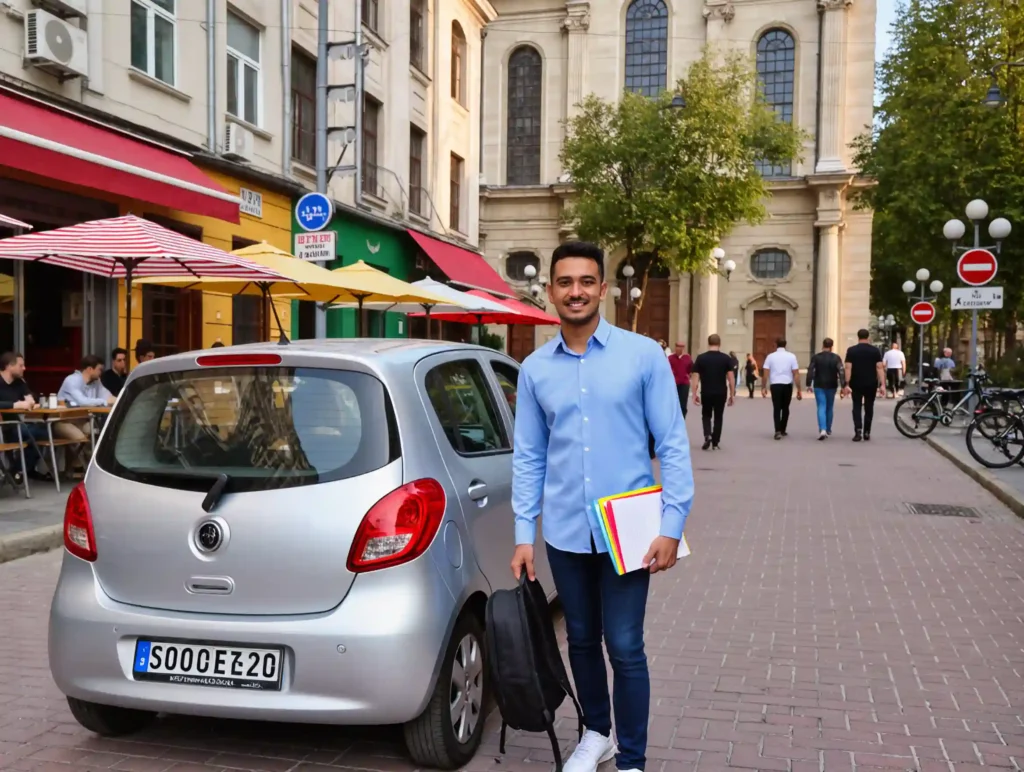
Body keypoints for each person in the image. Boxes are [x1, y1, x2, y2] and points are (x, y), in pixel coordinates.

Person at [510, 241, 694, 772]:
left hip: (631, 533)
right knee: (583, 641)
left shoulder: (642, 356)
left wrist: (672, 525)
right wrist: (525, 533)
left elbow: (673, 444)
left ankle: (632, 758)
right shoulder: (536, 370)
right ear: (551, 291)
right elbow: (529, 457)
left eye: (586, 281)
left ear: (604, 289)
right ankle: (597, 734)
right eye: (565, 282)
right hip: (566, 531)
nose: (576, 291)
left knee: (625, 645)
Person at [690, 334, 735, 451]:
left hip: (706, 391)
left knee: (706, 415)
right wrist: (732, 394)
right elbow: (731, 378)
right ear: (719, 344)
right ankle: (715, 443)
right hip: (721, 392)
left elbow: (695, 377)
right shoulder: (726, 358)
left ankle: (707, 435)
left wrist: (694, 394)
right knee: (718, 417)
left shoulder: (701, 358)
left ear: (708, 343)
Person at [843, 329, 885, 442]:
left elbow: (848, 368)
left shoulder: (851, 351)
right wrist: (883, 385)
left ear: (858, 337)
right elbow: (880, 367)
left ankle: (858, 431)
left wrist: (846, 383)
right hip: (871, 383)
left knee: (856, 407)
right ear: (868, 337)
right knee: (869, 407)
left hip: (856, 383)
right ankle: (867, 432)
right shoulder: (875, 351)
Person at [761, 338, 801, 440]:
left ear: (775, 344)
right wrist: (799, 389)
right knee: (786, 407)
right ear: (785, 345)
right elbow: (796, 373)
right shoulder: (791, 356)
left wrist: (763, 387)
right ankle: (783, 429)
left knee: (777, 407)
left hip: (775, 384)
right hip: (787, 384)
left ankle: (777, 430)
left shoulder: (770, 357)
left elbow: (765, 373)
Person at [806, 338, 846, 440]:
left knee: (821, 406)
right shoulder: (836, 358)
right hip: (832, 385)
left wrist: (808, 384)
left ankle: (822, 429)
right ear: (832, 347)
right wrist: (843, 385)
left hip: (819, 384)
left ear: (822, 345)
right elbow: (841, 371)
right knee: (829, 406)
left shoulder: (816, 357)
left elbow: (810, 370)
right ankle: (828, 428)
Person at [667, 342, 693, 418]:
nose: (679, 349)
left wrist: (688, 376)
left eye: (681, 347)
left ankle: (682, 419)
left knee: (683, 404)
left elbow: (690, 369)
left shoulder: (687, 358)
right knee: (673, 403)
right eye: (677, 347)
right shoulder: (670, 358)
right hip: (673, 383)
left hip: (684, 383)